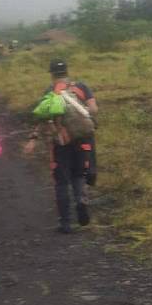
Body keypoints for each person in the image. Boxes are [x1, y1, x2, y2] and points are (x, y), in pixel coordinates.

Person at [24, 60, 98, 234]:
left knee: (61, 181)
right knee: (79, 174)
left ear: (52, 74)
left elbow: (41, 116)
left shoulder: (50, 91)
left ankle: (65, 223)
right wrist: (82, 112)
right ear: (67, 71)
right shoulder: (81, 87)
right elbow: (94, 109)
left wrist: (33, 139)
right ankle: (81, 199)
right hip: (83, 138)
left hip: (61, 142)